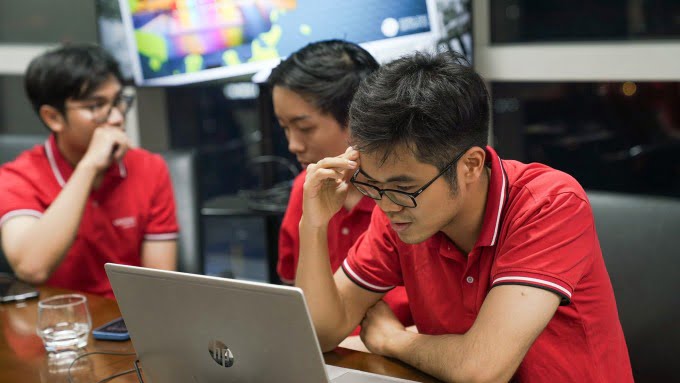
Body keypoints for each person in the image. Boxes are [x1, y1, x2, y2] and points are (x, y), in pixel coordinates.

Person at [297, 51, 633, 382]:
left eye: (404, 187)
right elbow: (318, 334)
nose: (386, 205)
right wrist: (313, 224)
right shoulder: (399, 211)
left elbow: (481, 371)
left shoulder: (548, 204)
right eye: (372, 185)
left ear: (470, 165)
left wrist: (393, 340)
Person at [0, 44, 178, 298]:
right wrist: (88, 167)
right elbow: (31, 268)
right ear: (53, 118)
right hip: (57, 324)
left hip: (127, 319)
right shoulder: (18, 177)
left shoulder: (149, 167)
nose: (116, 117)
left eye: (118, 101)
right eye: (96, 106)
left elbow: (160, 286)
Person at [268, 40, 412, 328]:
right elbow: (296, 303)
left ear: (357, 119)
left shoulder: (410, 197)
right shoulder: (304, 189)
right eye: (284, 128)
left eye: (305, 128)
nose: (293, 145)